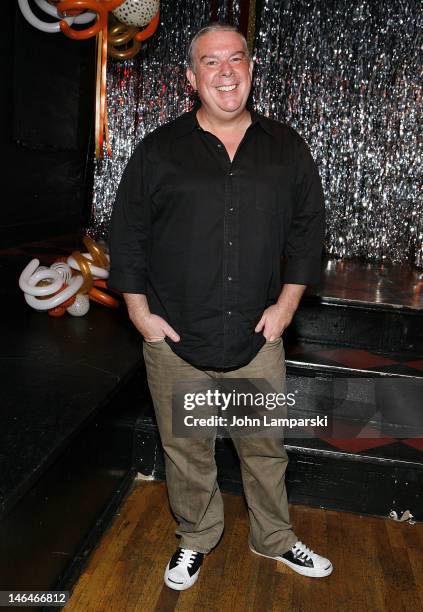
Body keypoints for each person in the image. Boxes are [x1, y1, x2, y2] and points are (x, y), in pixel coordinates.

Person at [108, 22, 332, 591]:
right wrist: (139, 314)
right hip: (177, 340)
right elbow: (127, 236)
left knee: (265, 452)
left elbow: (308, 233)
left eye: (236, 59)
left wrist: (285, 307)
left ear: (251, 70)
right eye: (211, 62)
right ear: (191, 77)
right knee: (187, 453)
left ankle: (274, 539)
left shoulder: (287, 148)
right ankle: (196, 538)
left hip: (258, 338)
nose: (225, 71)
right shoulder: (159, 151)